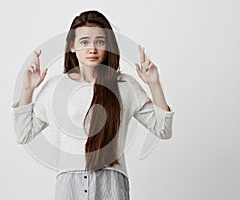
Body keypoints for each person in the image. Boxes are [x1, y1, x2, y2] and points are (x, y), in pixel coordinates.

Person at [10, 10, 174, 200]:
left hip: (111, 182)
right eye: (84, 42)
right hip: (69, 184)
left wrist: (154, 84)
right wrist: (27, 90)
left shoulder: (124, 85)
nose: (92, 49)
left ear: (108, 46)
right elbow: (23, 134)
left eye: (100, 42)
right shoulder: (56, 87)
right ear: (72, 46)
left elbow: (163, 130)